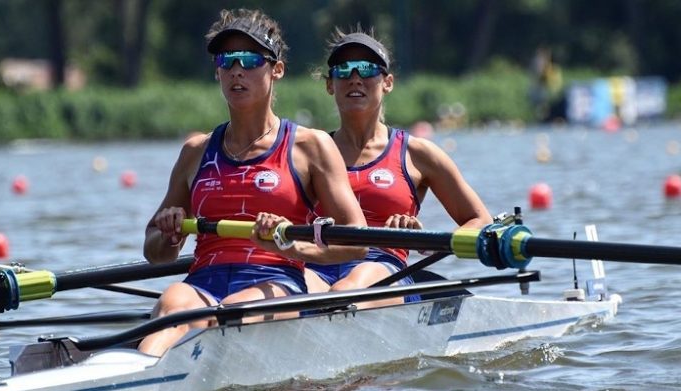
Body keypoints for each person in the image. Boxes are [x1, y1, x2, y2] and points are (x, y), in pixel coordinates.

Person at [138, 9, 367, 357]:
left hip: (276, 279)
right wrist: (169, 235)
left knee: (233, 311)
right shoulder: (196, 151)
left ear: (277, 69)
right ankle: (136, 373)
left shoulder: (310, 146)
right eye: (226, 61)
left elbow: (357, 242)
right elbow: (154, 251)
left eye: (249, 59)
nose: (236, 71)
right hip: (204, 279)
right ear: (217, 71)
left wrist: (290, 247)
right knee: (173, 305)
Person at [305, 28, 493, 307]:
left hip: (383, 268)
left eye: (367, 69)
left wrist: (427, 241)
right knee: (287, 293)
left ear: (388, 82)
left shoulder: (418, 154)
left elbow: (481, 222)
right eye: (343, 70)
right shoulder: (309, 151)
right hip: (317, 265)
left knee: (342, 294)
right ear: (330, 84)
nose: (355, 77)